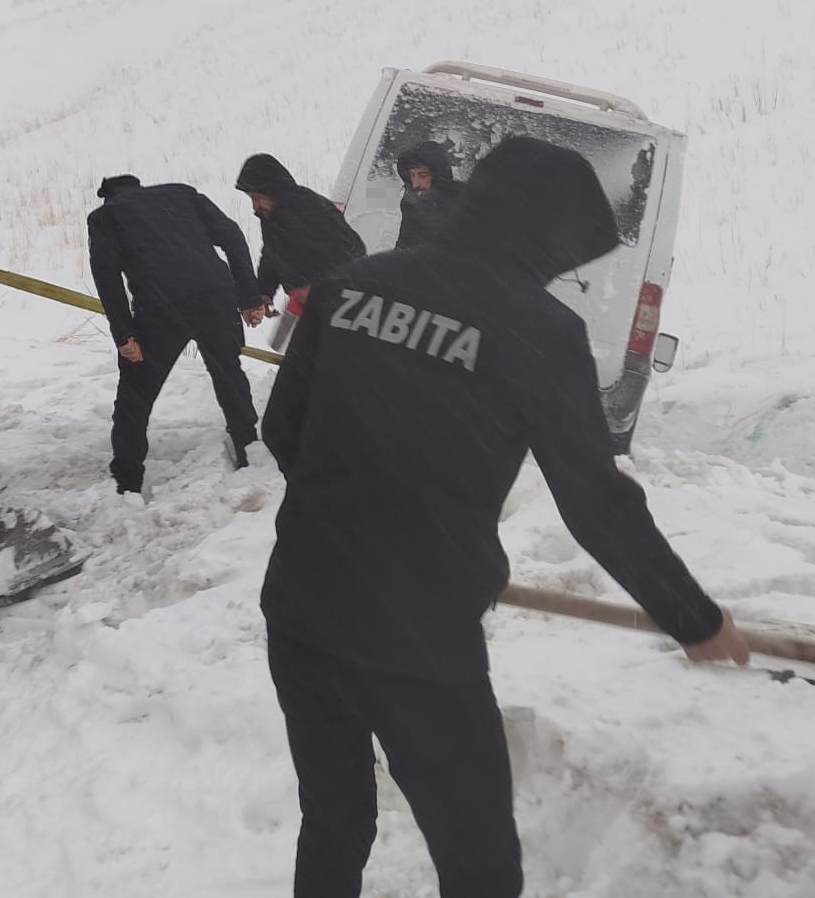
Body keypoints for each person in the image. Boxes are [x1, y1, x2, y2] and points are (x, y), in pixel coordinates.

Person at [259, 136, 748, 898]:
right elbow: (595, 503)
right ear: (548, 233)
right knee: (479, 861)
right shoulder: (539, 330)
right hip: (416, 634)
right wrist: (694, 619)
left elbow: (281, 428)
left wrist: (352, 513)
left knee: (334, 820)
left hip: (301, 606)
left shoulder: (352, 285)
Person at [86, 174, 270, 494]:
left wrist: (123, 334)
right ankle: (248, 448)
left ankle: (127, 480)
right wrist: (248, 296)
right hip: (215, 295)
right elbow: (232, 235)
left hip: (160, 308)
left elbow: (107, 277)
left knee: (135, 394)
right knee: (228, 374)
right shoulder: (182, 195)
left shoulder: (105, 216)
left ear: (108, 195)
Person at [233, 154, 366, 323]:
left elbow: (351, 252)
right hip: (311, 308)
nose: (255, 206)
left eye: (258, 198)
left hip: (342, 308)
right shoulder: (271, 217)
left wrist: (318, 287)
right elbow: (272, 255)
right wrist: (264, 292)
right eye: (251, 199)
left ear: (274, 191)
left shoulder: (311, 210)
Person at [393, 139, 465, 249]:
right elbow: (403, 246)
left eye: (422, 175)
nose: (415, 184)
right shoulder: (411, 204)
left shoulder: (463, 202)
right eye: (412, 175)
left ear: (437, 176)